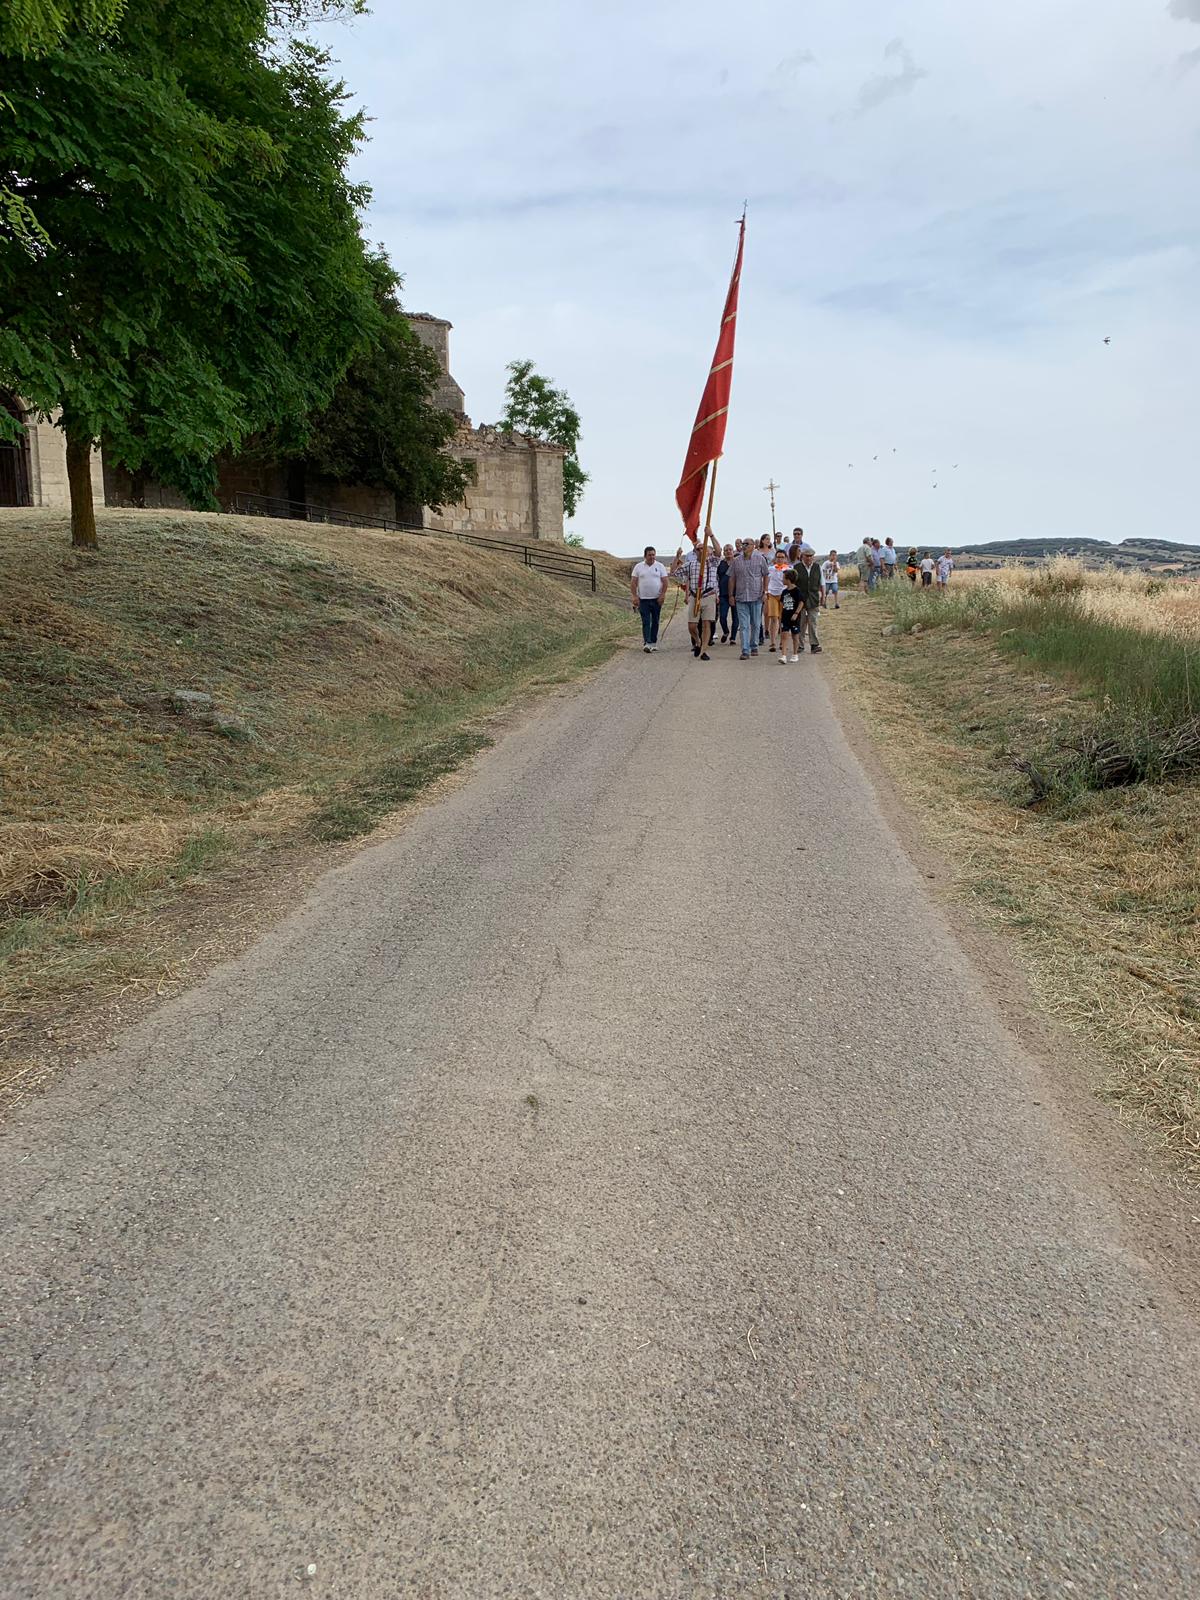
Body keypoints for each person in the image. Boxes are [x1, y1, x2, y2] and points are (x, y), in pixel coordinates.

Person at [672, 540, 719, 659]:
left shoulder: (713, 562)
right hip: (694, 596)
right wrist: (677, 557)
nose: (700, 551)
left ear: (708, 551)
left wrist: (711, 534)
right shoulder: (690, 564)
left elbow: (718, 551)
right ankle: (698, 642)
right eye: (698, 549)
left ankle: (704, 651)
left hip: (708, 595)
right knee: (692, 626)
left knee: (706, 623)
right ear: (695, 552)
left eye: (703, 548)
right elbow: (674, 573)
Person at [727, 538, 769, 660]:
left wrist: (765, 592)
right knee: (744, 625)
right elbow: (732, 578)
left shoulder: (760, 559)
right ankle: (745, 650)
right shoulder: (736, 561)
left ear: (753, 546)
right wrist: (731, 595)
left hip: (756, 596)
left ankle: (754, 645)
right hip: (741, 597)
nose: (744, 546)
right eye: (743, 544)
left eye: (747, 544)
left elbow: (766, 575)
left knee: (756, 624)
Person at [630, 545, 668, 651]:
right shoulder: (638, 567)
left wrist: (663, 594)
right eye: (649, 555)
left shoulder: (660, 566)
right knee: (646, 620)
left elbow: (665, 581)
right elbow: (633, 582)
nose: (652, 557)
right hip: (643, 599)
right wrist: (634, 596)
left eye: (653, 555)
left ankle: (653, 642)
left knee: (655, 620)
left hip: (656, 599)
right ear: (645, 556)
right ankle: (647, 642)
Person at [792, 547, 824, 653]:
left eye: (811, 556)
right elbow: (793, 583)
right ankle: (800, 645)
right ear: (802, 556)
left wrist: (823, 596)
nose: (809, 558)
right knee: (801, 622)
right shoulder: (796, 567)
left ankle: (814, 645)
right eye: (807, 556)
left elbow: (822, 582)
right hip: (800, 599)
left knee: (813, 622)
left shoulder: (817, 567)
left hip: (813, 598)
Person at [765, 547, 790, 652]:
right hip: (772, 594)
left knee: (782, 619)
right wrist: (766, 591)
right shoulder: (771, 568)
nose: (780, 559)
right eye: (778, 557)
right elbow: (766, 580)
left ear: (785, 559)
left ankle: (782, 642)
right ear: (775, 558)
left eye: (782, 557)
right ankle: (772, 642)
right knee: (774, 618)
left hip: (784, 595)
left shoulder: (789, 569)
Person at [778, 567, 803, 662]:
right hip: (785, 617)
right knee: (784, 635)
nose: (782, 580)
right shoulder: (784, 592)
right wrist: (780, 616)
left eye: (783, 578)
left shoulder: (797, 591)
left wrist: (796, 613)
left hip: (794, 617)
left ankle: (795, 654)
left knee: (795, 636)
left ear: (788, 579)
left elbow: (801, 602)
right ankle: (783, 656)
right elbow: (781, 604)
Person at [716, 543, 738, 645]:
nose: (728, 551)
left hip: (737, 594)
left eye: (730, 549)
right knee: (723, 617)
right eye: (726, 550)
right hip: (723, 594)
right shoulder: (720, 564)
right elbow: (716, 578)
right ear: (724, 552)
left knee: (736, 617)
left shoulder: (737, 563)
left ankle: (733, 637)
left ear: (733, 551)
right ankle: (726, 632)